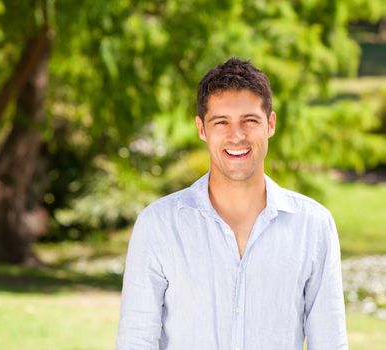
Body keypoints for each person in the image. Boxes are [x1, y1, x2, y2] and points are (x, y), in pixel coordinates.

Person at [116, 57, 347, 350]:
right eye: (221, 122)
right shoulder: (159, 225)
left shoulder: (313, 225)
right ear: (202, 128)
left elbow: (329, 342)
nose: (236, 135)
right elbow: (136, 340)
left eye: (249, 120)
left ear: (270, 124)